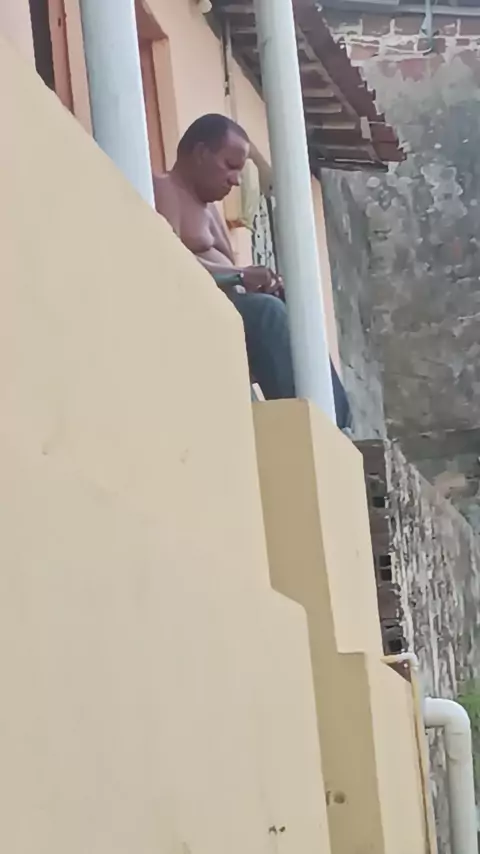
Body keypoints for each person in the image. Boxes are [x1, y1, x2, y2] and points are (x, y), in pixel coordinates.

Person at [153, 113, 350, 428]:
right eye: (230, 166)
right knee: (267, 313)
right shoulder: (164, 189)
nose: (235, 180)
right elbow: (168, 258)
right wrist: (240, 276)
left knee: (298, 314)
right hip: (194, 311)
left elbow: (231, 270)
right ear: (201, 154)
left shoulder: (210, 210)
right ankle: (312, 419)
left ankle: (338, 421)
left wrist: (258, 281)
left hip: (229, 312)